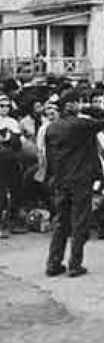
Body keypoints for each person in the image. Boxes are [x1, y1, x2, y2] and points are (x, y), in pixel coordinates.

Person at [43, 89, 104, 276]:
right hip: (80, 179)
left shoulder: (52, 127)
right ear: (70, 105)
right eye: (77, 102)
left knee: (61, 223)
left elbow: (49, 157)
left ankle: (53, 263)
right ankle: (75, 264)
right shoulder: (82, 124)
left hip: (60, 179)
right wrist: (90, 108)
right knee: (80, 222)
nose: (79, 105)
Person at [0, 94, 24, 238]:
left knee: (16, 190)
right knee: (0, 193)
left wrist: (9, 137)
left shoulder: (13, 122)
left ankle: (14, 222)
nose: (4, 108)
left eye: (7, 106)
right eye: (1, 106)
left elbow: (18, 143)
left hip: (11, 160)